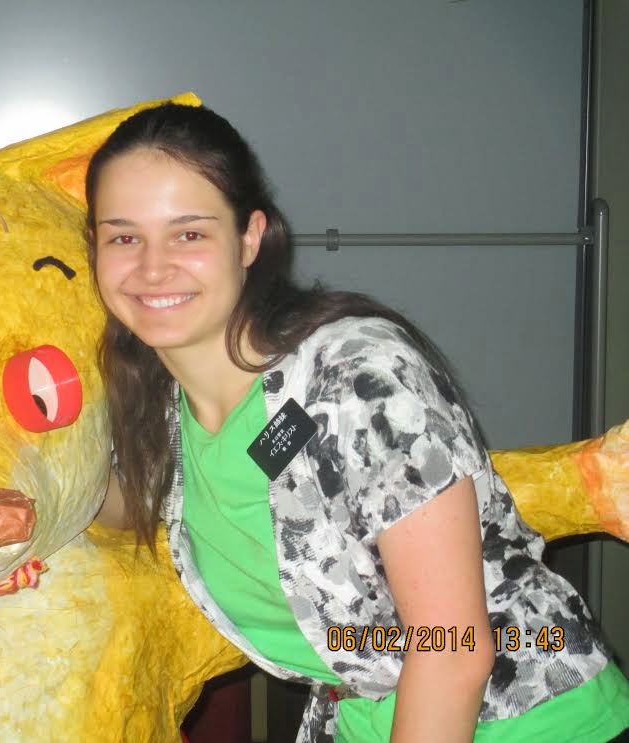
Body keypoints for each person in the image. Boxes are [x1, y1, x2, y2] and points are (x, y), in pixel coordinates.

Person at [87, 102, 629, 743]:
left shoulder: (356, 375)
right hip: (367, 716)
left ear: (250, 237)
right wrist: (37, 501)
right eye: (124, 237)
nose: (152, 268)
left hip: (526, 719)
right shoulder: (164, 402)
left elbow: (452, 650)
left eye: (189, 234)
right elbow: (135, 496)